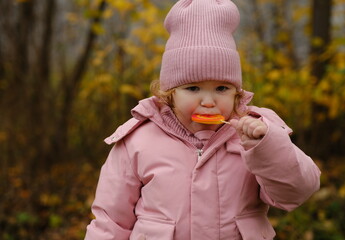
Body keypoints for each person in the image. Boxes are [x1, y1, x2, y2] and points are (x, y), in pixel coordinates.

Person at [84, 0, 321, 239]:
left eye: (221, 88)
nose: (208, 101)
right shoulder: (138, 140)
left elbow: (296, 192)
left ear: (236, 92)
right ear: (169, 93)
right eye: (193, 88)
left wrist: (267, 147)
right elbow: (110, 221)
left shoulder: (256, 134)